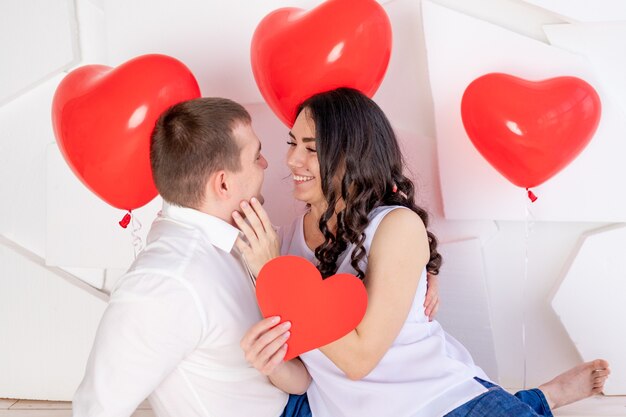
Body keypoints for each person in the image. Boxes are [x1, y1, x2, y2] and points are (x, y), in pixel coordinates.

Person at [235, 88, 611, 417]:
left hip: (435, 399)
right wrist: (270, 361)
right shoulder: (279, 245)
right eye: (291, 143)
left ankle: (542, 397)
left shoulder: (394, 227)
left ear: (353, 156)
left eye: (311, 149)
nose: (292, 161)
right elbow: (302, 373)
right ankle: (541, 397)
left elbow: (360, 359)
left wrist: (277, 275)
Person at [72, 98, 312, 417]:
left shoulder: (236, 232)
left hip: (297, 394)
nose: (267, 163)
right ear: (223, 183)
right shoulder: (166, 283)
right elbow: (96, 409)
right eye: (257, 156)